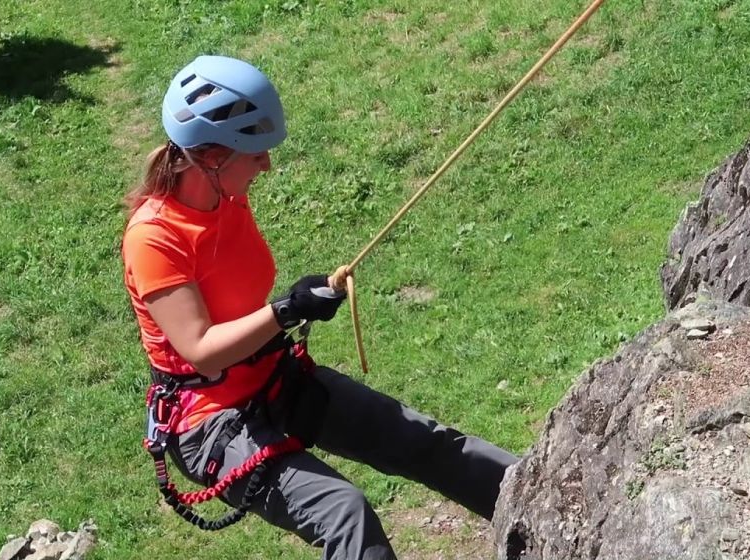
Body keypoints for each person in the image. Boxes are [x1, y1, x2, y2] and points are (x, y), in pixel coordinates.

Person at [121, 54, 518, 559]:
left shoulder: (228, 196)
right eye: (255, 153)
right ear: (213, 158)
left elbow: (237, 299)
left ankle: (548, 496)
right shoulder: (154, 238)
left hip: (272, 378)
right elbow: (200, 349)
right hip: (209, 421)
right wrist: (286, 310)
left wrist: (298, 305)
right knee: (344, 512)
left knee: (422, 440)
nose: (267, 164)